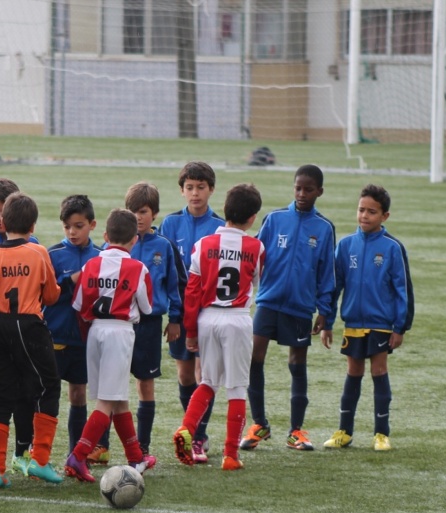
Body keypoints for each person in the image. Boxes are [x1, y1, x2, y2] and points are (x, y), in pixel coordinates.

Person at [0, 192, 64, 488]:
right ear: (32, 226)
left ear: (4, 224)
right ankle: (39, 459)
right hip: (29, 325)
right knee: (48, 385)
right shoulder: (38, 252)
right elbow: (51, 296)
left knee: (0, 394)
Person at [242, 164, 336, 453]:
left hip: (300, 307)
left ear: (319, 192)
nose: (302, 194)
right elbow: (255, 257)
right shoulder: (274, 219)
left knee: (297, 364)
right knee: (254, 358)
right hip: (268, 301)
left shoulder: (324, 228)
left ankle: (296, 430)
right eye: (298, 188)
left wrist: (325, 311)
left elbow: (326, 273)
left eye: (308, 189)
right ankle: (259, 423)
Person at [173, 183, 265, 471]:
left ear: (225, 210)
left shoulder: (203, 245)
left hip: (207, 318)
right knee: (237, 388)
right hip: (236, 318)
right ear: (252, 218)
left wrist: (190, 331)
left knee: (208, 382)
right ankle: (230, 455)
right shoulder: (256, 247)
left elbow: (192, 292)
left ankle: (187, 428)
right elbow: (256, 281)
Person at [63, 209, 156, 483]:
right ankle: (78, 456)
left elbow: (78, 305)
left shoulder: (90, 265)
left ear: (105, 236)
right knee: (107, 400)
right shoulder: (138, 268)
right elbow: (147, 308)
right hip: (120, 331)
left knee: (118, 398)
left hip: (95, 331)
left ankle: (136, 457)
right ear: (134, 239)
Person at [322, 184, 414, 451]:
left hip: (380, 324)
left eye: (372, 212)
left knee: (379, 371)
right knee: (353, 373)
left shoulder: (392, 248)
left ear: (385, 216)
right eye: (361, 209)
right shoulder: (345, 245)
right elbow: (334, 286)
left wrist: (400, 327)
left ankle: (381, 433)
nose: (364, 216)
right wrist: (327, 321)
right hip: (352, 323)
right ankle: (344, 431)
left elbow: (403, 290)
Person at [158, 161, 225, 464]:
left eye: (201, 187)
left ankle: (198, 435)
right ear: (182, 190)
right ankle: (192, 429)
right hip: (180, 310)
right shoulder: (170, 224)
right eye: (189, 187)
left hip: (208, 311)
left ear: (211, 190)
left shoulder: (220, 227)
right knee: (185, 375)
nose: (195, 193)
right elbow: (164, 268)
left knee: (203, 374)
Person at [0, 177, 38, 476]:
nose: (0, 218)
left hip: (24, 336)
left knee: (26, 394)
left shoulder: (33, 246)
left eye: (5, 211)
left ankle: (21, 453)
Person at [120, 181, 183, 459]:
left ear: (154, 213)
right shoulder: (117, 244)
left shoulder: (164, 246)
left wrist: (175, 318)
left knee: (145, 383)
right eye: (133, 211)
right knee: (114, 384)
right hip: (120, 323)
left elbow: (175, 285)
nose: (138, 217)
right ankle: (103, 446)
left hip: (150, 324)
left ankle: (142, 446)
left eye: (143, 211)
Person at [46, 195, 102, 460]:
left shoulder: (101, 256)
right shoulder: (52, 254)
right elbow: (46, 294)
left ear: (92, 225)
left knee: (79, 393)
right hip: (55, 336)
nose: (72, 232)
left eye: (79, 226)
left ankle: (75, 453)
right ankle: (39, 452)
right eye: (67, 226)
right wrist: (71, 280)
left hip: (84, 338)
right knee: (48, 394)